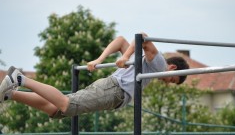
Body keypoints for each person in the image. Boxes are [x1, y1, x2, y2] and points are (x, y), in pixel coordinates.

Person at [0, 32, 189, 119]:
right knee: (67, 104)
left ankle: (11, 93)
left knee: (56, 110)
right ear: (172, 68)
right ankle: (20, 79)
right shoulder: (160, 64)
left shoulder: (147, 63)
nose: (168, 83)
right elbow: (143, 37)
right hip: (114, 90)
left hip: (112, 90)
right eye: (172, 79)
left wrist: (100, 59)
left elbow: (121, 40)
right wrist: (123, 56)